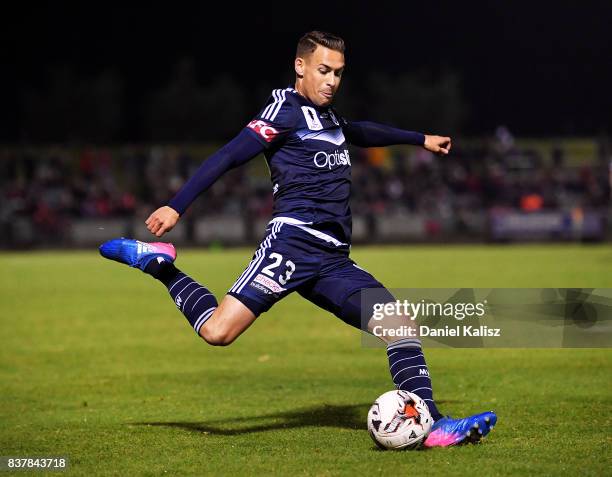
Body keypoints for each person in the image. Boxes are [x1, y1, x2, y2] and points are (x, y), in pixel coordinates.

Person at [100, 31, 496, 447]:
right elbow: (228, 156)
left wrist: (421, 139)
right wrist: (176, 206)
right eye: (323, 70)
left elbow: (360, 131)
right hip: (292, 244)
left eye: (339, 73)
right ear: (300, 66)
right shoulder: (283, 111)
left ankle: (432, 426)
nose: (331, 81)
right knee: (218, 332)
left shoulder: (330, 117)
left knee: (400, 326)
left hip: (334, 260)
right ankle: (160, 264)